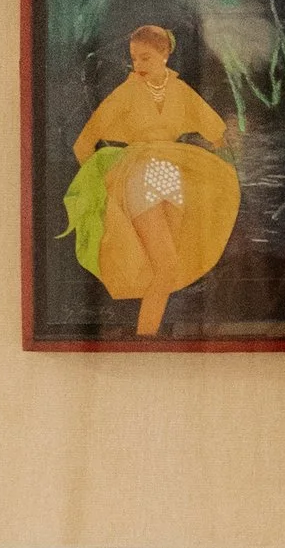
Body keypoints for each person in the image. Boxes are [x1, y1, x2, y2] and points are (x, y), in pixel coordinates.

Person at [66, 24, 241, 336]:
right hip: (140, 178)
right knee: (166, 267)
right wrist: (101, 181)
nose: (138, 65)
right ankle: (145, 338)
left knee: (164, 272)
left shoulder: (181, 91)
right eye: (134, 59)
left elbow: (218, 132)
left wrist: (225, 157)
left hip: (173, 180)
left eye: (145, 58)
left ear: (165, 54)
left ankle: (147, 338)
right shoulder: (126, 94)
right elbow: (82, 144)